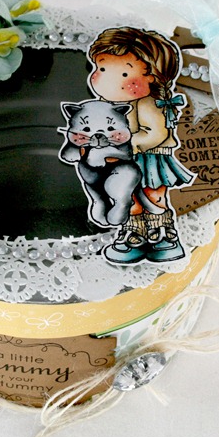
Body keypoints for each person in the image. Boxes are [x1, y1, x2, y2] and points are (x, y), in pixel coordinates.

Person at [88, 27, 195, 263]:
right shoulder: (109, 106)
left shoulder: (148, 104)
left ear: (151, 78)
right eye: (102, 69)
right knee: (128, 198)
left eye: (124, 74)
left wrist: (128, 146)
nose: (107, 79)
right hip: (122, 163)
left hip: (148, 159)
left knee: (153, 196)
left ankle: (162, 236)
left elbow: (156, 133)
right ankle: (134, 236)